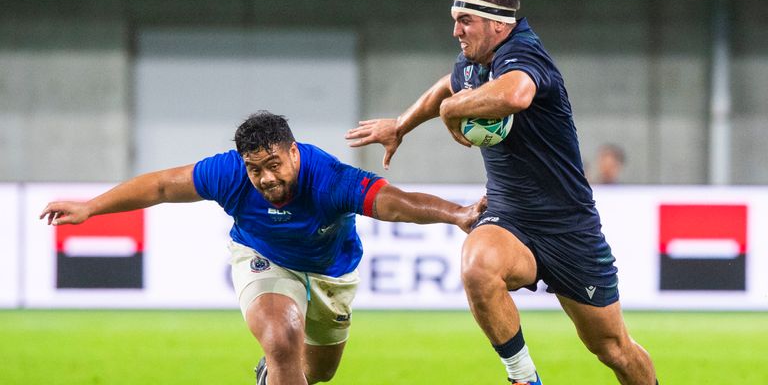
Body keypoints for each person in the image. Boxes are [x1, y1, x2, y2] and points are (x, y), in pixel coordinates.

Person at [346, 0, 658, 385]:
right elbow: (448, 84)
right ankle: (523, 378)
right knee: (478, 266)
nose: (455, 30)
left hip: (569, 228)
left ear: (498, 23)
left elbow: (516, 95)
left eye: (465, 21)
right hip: (509, 216)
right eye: (455, 19)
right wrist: (402, 124)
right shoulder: (474, 63)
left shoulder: (524, 53)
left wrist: (451, 111)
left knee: (613, 348)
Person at [40, 111, 485, 385]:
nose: (267, 178)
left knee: (320, 371)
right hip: (263, 258)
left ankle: (271, 374)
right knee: (280, 338)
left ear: (293, 153)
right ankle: (276, 363)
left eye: (274, 165)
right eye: (256, 169)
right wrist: (90, 208)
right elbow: (159, 186)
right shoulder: (228, 173)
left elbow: (395, 203)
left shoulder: (329, 179)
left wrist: (459, 214)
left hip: (332, 271)